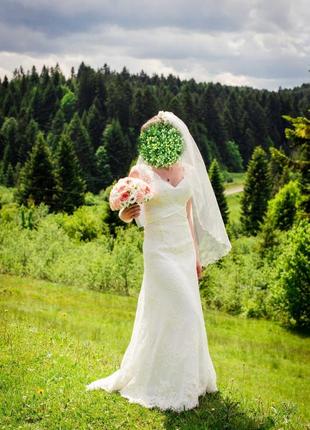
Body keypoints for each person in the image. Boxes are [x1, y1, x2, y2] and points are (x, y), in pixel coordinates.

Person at [86, 111, 232, 412]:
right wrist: (127, 211)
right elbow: (128, 215)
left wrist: (196, 256)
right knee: (186, 311)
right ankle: (171, 388)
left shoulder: (188, 170)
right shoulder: (141, 174)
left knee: (173, 316)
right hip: (159, 252)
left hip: (182, 251)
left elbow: (189, 215)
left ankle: (188, 379)